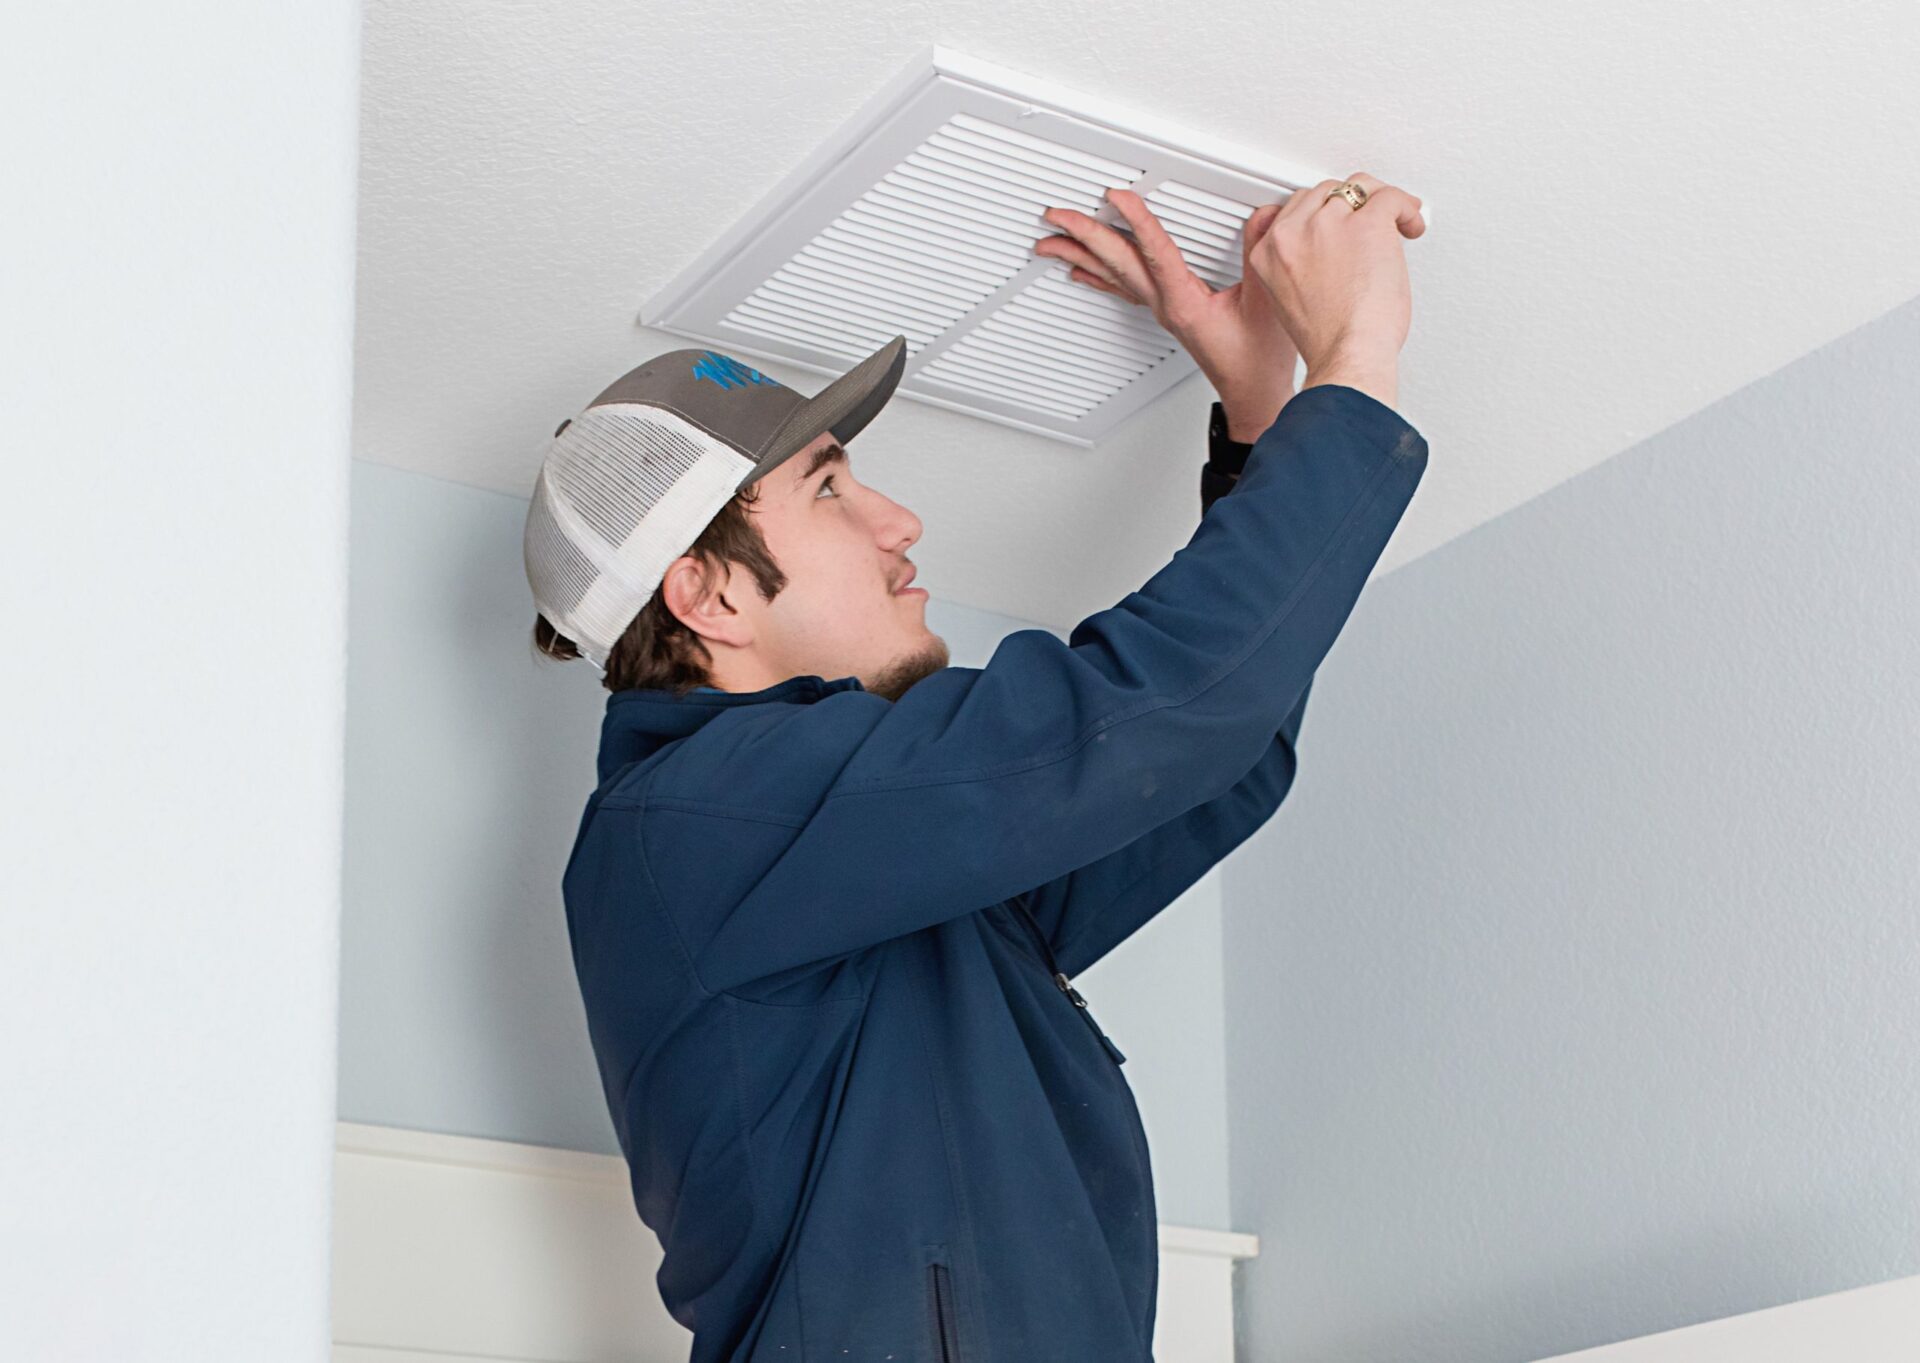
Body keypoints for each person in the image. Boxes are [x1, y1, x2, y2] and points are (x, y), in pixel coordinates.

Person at [523, 171, 1427, 1363]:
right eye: (833, 489)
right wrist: (1353, 360)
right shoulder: (696, 819)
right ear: (711, 594)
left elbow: (1212, 753)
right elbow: (1160, 713)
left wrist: (1263, 414)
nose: (898, 521)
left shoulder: (850, 868)